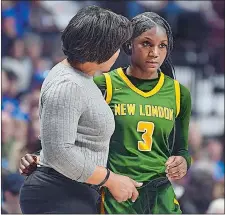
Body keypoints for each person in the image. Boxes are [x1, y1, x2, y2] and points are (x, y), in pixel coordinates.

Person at [19, 11, 192, 214]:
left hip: (146, 189)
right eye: (146, 43)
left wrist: (183, 161)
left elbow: (77, 133)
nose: (154, 52)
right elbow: (62, 148)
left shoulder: (83, 77)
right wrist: (47, 157)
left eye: (162, 45)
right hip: (105, 190)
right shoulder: (94, 83)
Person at [19, 5, 143, 214]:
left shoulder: (76, 75)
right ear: (100, 49)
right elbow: (60, 154)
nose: (118, 53)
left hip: (70, 189)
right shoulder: (69, 85)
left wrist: (42, 157)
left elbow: (65, 140)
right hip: (60, 193)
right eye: (116, 47)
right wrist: (110, 180)